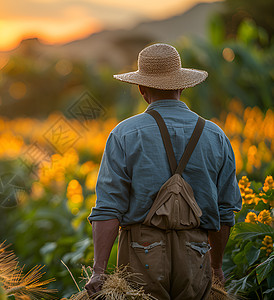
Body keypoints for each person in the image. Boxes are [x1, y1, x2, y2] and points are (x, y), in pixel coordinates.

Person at [85, 43, 242, 299]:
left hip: (140, 254)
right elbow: (225, 212)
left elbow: (108, 208)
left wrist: (99, 271)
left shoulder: (124, 134)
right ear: (182, 86)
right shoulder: (216, 136)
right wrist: (216, 267)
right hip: (196, 256)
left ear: (141, 89)